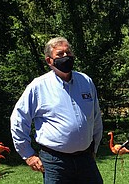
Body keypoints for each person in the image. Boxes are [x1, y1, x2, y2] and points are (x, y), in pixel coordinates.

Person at [10, 37, 103, 184]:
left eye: (68, 52)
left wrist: (94, 148)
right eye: (60, 54)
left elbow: (96, 117)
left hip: (86, 159)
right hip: (55, 162)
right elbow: (18, 119)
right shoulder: (38, 86)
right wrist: (28, 155)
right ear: (49, 61)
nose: (66, 56)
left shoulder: (86, 81)